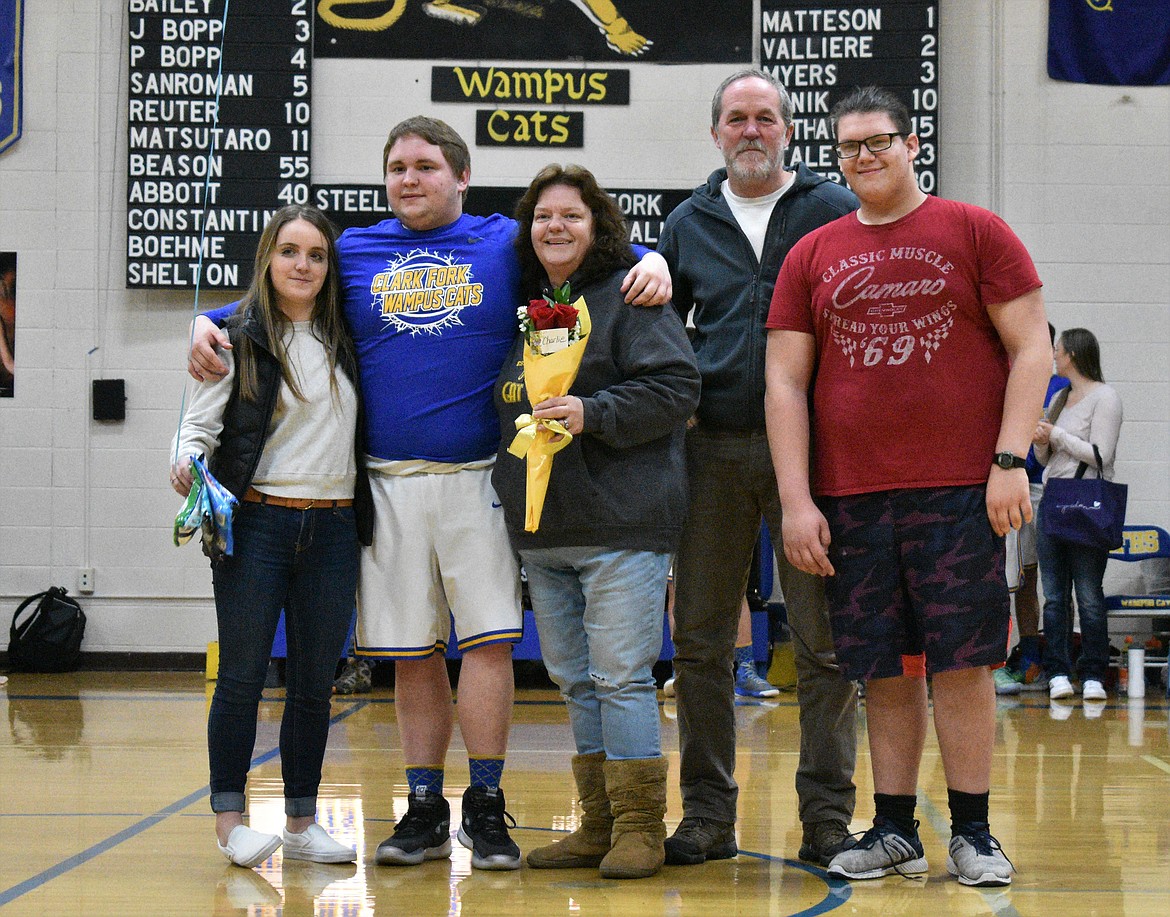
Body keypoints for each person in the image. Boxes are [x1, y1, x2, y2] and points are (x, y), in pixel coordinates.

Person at [187, 116, 671, 872]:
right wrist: (206, 320)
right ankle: (422, 808)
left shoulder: (499, 242)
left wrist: (656, 258)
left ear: (461, 178)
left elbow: (580, 247)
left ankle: (484, 800)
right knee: (412, 651)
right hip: (385, 482)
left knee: (487, 643)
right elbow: (279, 293)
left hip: (480, 474)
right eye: (397, 168)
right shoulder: (353, 249)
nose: (409, 179)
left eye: (425, 167)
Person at [766, 85, 1052, 888]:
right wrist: (797, 498)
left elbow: (1033, 347)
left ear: (911, 142)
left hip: (961, 490)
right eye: (849, 146)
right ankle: (893, 829)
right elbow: (783, 384)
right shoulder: (812, 253)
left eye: (877, 141)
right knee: (885, 669)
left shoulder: (974, 230)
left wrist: (1007, 461)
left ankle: (973, 830)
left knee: (962, 664)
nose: (863, 157)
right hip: (852, 497)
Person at [656, 67, 860, 868]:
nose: (750, 130)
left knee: (825, 643)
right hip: (710, 455)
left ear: (786, 130)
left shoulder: (832, 211)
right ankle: (707, 814)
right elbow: (658, 333)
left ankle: (827, 816)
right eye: (736, 118)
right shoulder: (687, 221)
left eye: (764, 118)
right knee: (702, 642)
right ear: (716, 134)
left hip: (813, 456)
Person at [493, 164, 700, 878]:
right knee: (575, 681)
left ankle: (641, 826)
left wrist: (594, 413)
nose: (555, 226)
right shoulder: (525, 305)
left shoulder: (634, 295)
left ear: (598, 226)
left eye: (571, 216)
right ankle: (598, 824)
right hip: (545, 530)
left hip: (622, 525)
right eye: (543, 216)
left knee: (621, 677)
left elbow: (677, 386)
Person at [172, 205, 370, 868]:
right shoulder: (231, 335)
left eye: (316, 254)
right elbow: (195, 429)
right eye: (290, 251)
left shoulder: (350, 333)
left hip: (337, 527)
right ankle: (230, 821)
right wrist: (184, 461)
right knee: (242, 676)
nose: (303, 265)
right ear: (268, 258)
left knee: (315, 682)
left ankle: (301, 821)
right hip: (256, 524)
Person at [1034, 328, 1124, 702]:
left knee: (1088, 594)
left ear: (1072, 352)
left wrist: (1056, 436)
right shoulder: (1059, 397)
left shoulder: (1105, 397)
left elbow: (1101, 456)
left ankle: (1093, 673)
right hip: (1053, 501)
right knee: (1054, 596)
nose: (1053, 354)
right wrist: (1043, 442)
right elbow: (1046, 460)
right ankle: (1057, 671)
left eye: (1057, 349)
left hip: (1088, 503)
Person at [997, 322, 1068, 696]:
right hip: (997, 486)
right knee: (1003, 578)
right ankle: (997, 658)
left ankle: (1032, 659)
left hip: (1041, 489)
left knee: (1031, 578)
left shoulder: (1061, 387)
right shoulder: (1003, 375)